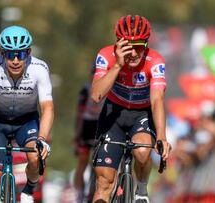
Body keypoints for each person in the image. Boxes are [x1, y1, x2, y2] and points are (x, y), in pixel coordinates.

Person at [0, 25, 53, 203]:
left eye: (20, 54)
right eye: (9, 54)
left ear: (28, 53)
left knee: (35, 157)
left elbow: (48, 107)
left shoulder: (39, 68)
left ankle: (29, 188)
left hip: (27, 121)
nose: (15, 60)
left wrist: (42, 139)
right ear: (2, 53)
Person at [90, 15, 172, 203]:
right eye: (128, 46)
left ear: (147, 44)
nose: (134, 53)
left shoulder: (155, 61)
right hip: (114, 114)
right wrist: (118, 64)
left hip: (142, 113)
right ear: (118, 43)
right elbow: (96, 96)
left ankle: (141, 190)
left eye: (139, 46)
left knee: (142, 152)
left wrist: (161, 137)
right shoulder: (106, 55)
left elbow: (157, 100)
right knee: (103, 182)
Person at [73, 66, 104, 201]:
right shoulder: (86, 89)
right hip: (87, 126)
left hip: (102, 126)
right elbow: (79, 115)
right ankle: (79, 194)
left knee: (101, 164)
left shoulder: (110, 87)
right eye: (94, 74)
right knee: (82, 162)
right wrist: (77, 136)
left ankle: (97, 191)